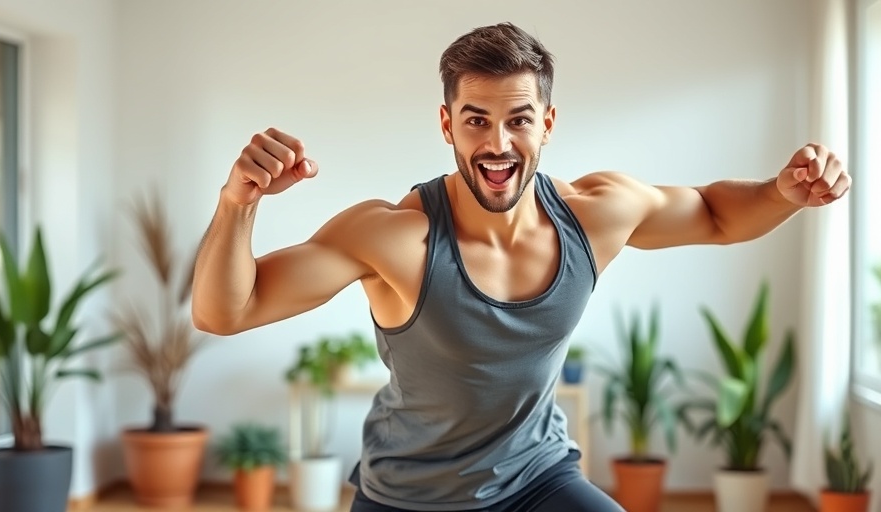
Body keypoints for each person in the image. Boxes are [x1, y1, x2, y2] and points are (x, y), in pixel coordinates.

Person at [192, 22, 850, 512]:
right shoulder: (397, 238)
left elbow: (713, 213)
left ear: (548, 124)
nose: (498, 144)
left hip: (538, 479)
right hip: (408, 496)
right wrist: (237, 203)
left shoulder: (594, 214)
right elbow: (227, 310)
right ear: (447, 125)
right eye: (476, 120)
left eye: (519, 120)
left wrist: (780, 194)